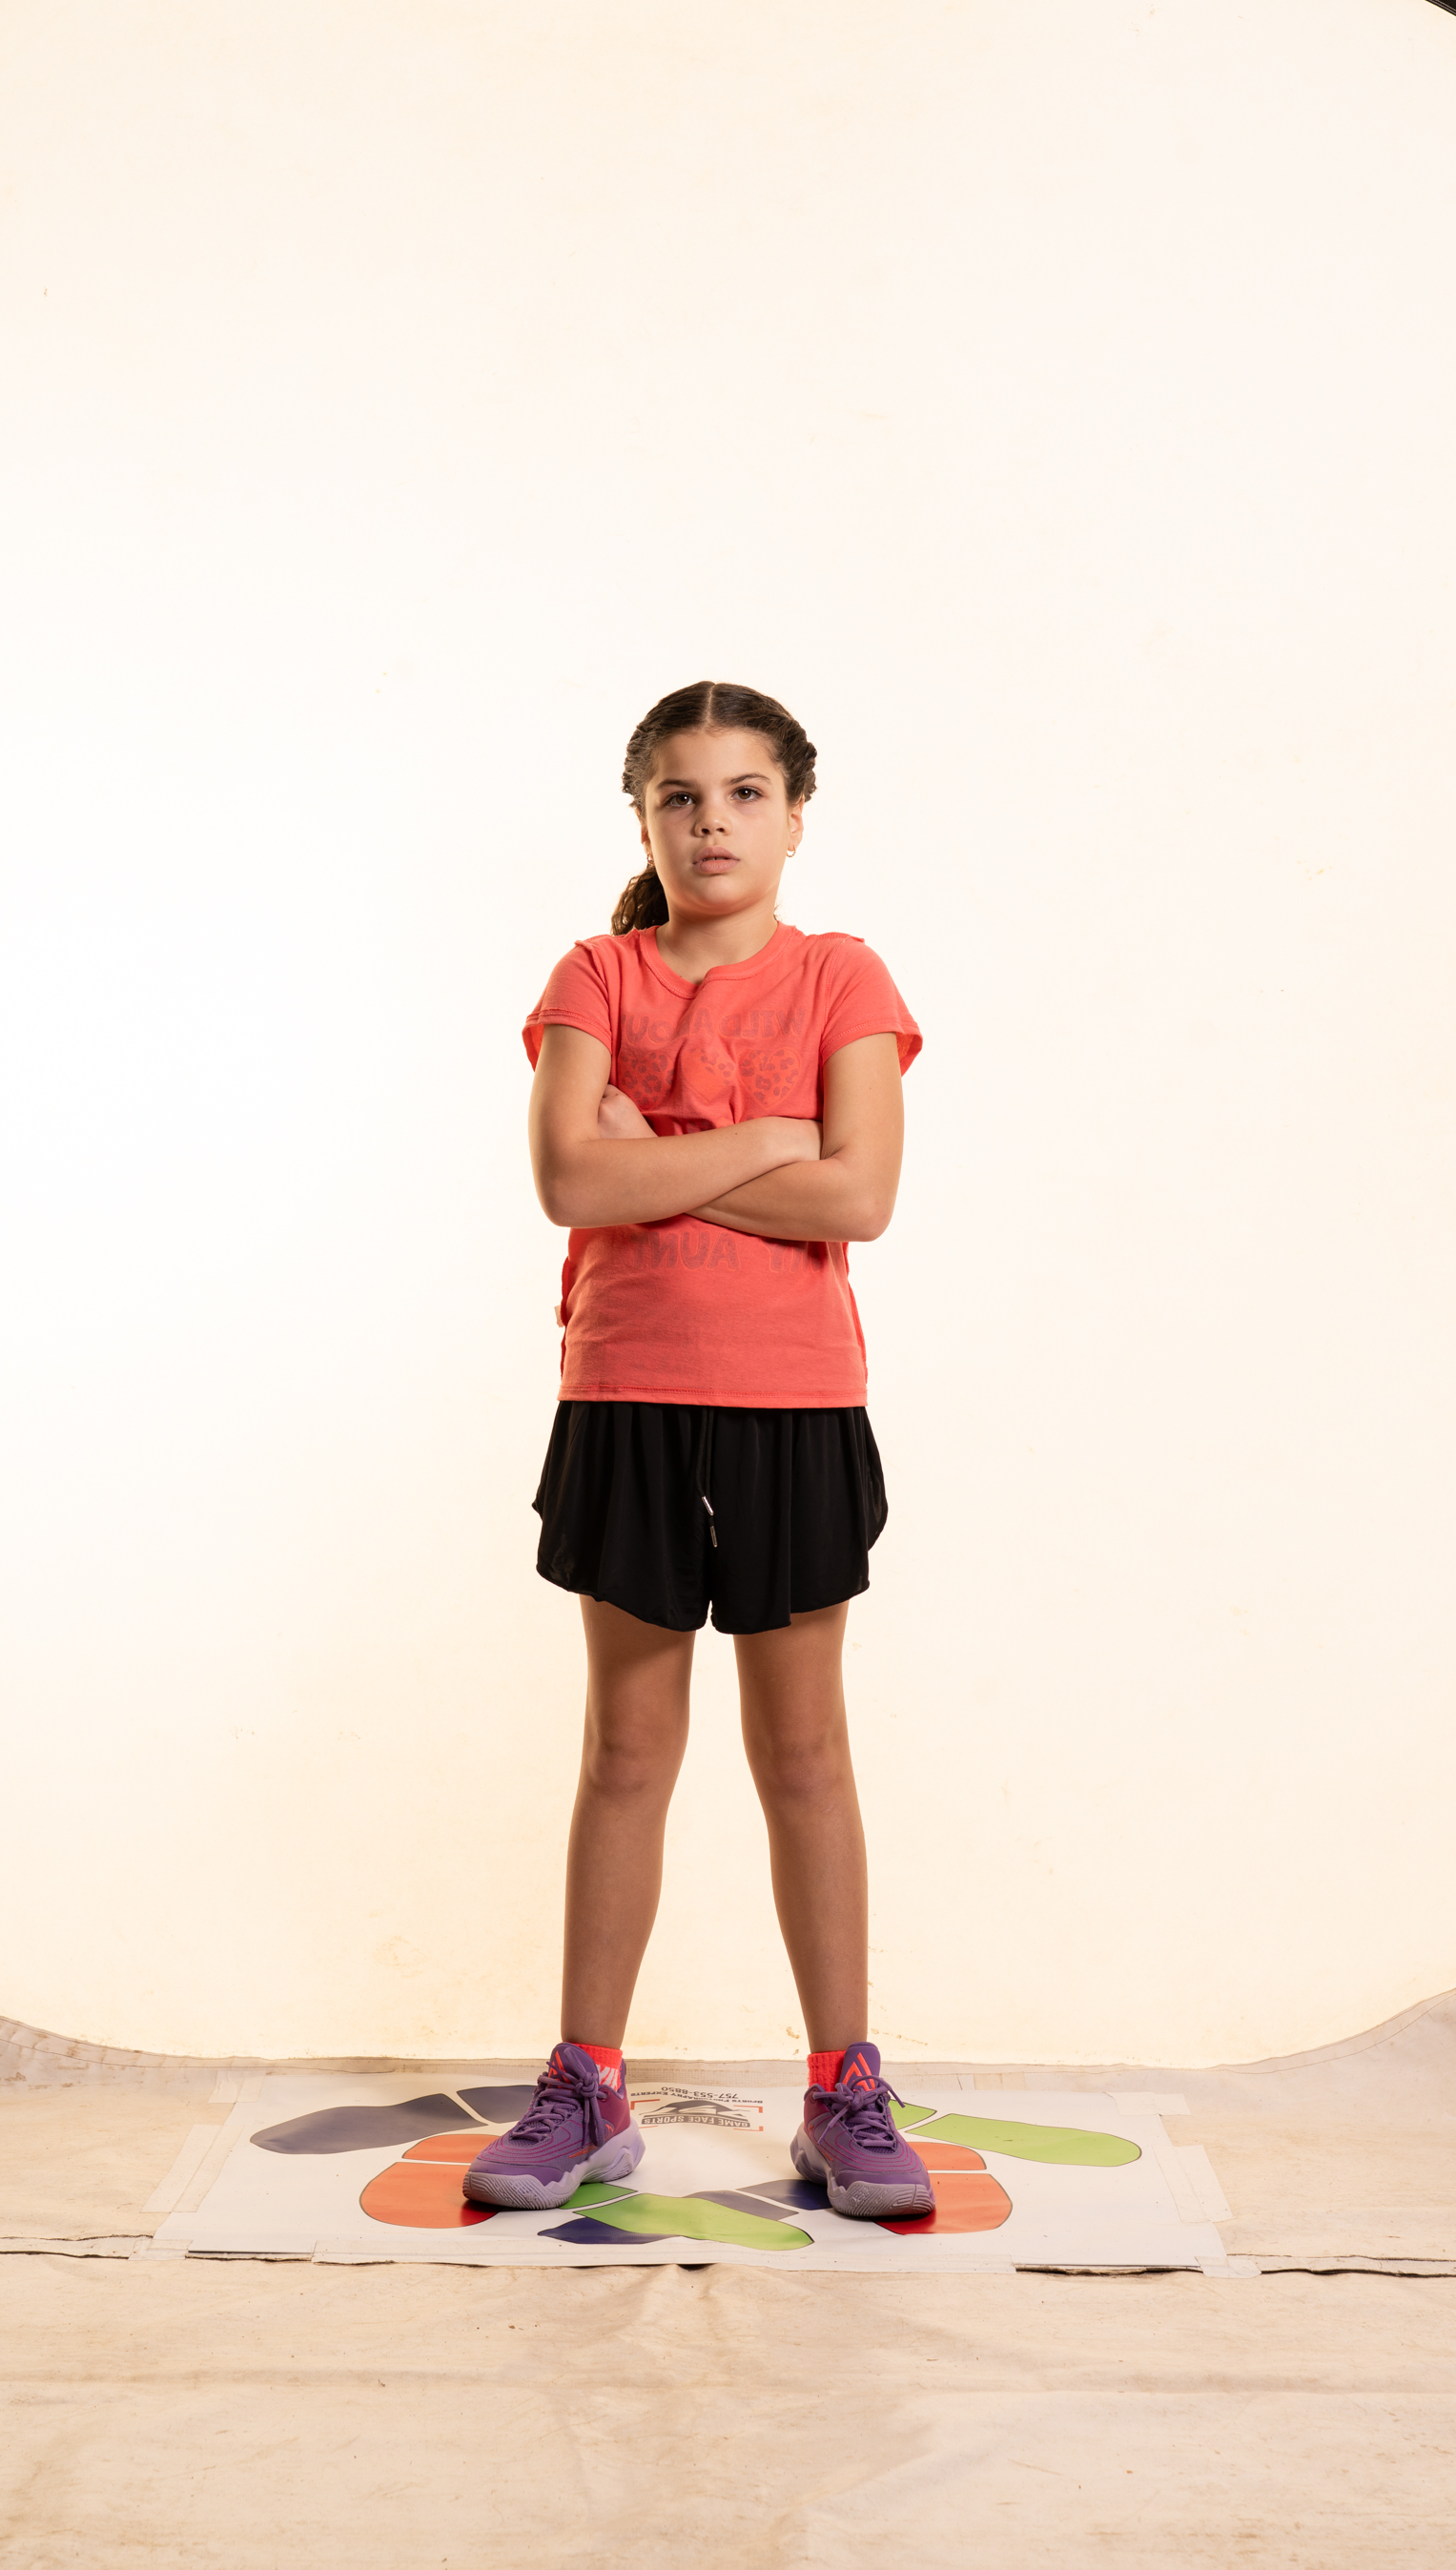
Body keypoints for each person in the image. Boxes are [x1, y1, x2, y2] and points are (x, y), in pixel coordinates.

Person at [462, 681, 933, 2222]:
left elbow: (859, 1198)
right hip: (627, 1396)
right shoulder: (595, 974)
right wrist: (764, 1145)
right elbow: (564, 1179)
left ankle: (843, 2087)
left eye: (742, 793)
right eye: (679, 795)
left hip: (794, 1402)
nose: (710, 821)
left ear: (794, 816)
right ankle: (586, 2084)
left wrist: (651, 1161)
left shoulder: (841, 974)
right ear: (643, 817)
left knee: (803, 1754)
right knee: (624, 1748)